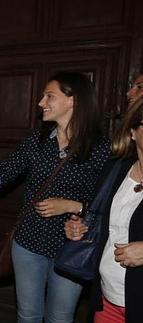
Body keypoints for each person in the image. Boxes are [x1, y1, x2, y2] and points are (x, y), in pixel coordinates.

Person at [0, 72, 110, 323]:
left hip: (72, 246)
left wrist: (71, 206)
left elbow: (108, 203)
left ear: (74, 100)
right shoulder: (37, 140)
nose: (41, 102)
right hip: (28, 242)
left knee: (59, 318)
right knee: (28, 315)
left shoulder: (100, 147)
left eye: (49, 95)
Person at [65, 97, 143, 323]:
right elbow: (101, 222)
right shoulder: (116, 170)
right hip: (107, 297)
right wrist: (79, 229)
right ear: (132, 132)